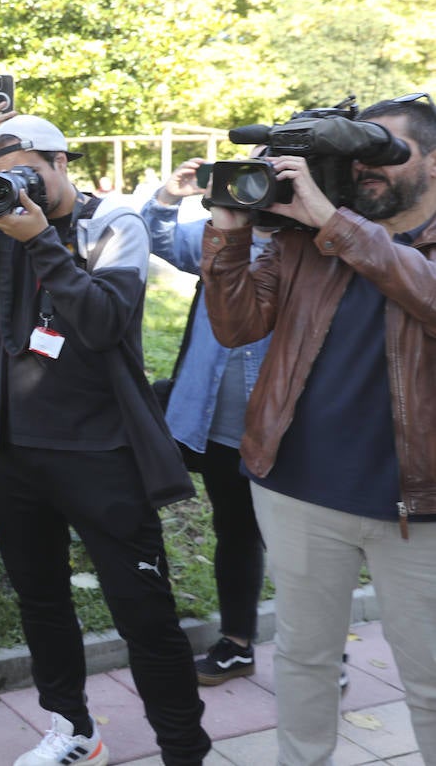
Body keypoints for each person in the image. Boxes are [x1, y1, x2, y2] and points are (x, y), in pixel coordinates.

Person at [0, 114, 210, 766]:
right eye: (6, 171)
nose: (20, 184)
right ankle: (73, 729)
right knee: (43, 602)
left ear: (62, 162)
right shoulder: (1, 223)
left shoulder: (113, 223)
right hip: (16, 452)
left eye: (31, 170)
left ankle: (185, 748)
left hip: (101, 454)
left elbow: (102, 321)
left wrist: (41, 238)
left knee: (143, 614)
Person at [200, 94, 436, 765]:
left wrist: (334, 220)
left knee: (429, 680)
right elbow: (237, 325)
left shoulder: (337, 228)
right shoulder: (308, 241)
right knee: (303, 659)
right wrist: (231, 224)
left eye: (389, 152)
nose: (368, 168)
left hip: (417, 507)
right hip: (299, 490)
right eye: (360, 153)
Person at [141, 157, 270, 686]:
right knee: (234, 530)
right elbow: (158, 238)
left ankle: (325, 650)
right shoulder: (217, 237)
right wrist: (169, 194)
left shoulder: (304, 249)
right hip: (212, 423)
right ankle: (237, 644)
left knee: (300, 544)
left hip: (281, 430)